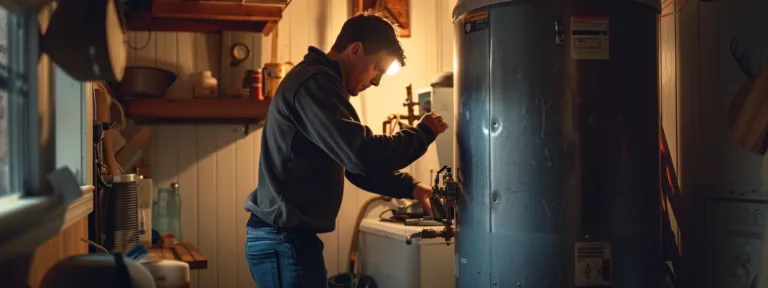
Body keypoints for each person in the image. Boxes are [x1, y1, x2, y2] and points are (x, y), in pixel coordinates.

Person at [243, 11, 450, 288]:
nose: (376, 82)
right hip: (284, 239)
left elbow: (354, 166)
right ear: (355, 51)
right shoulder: (316, 83)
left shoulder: (320, 84)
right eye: (377, 68)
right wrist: (421, 134)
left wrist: (412, 188)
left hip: (285, 239)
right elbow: (361, 155)